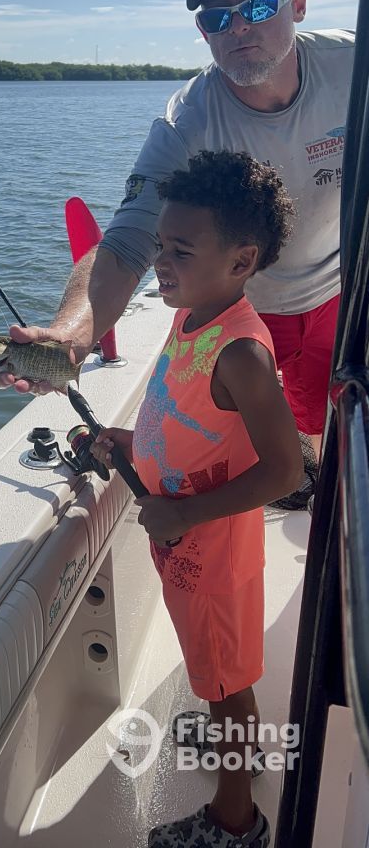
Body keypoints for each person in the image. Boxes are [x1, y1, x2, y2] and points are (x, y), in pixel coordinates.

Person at [0, 0, 355, 465]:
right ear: (203, 30)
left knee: (327, 430)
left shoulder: (354, 64)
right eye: (217, 16)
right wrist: (71, 336)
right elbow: (129, 239)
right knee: (219, 451)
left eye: (257, 5)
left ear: (297, 3)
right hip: (236, 311)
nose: (237, 27)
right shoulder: (188, 122)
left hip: (338, 294)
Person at [90, 150, 303, 848]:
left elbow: (284, 471)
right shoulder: (189, 318)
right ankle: (228, 740)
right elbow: (186, 417)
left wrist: (182, 512)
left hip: (209, 558)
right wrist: (130, 442)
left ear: (241, 262)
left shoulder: (240, 352)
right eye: (159, 244)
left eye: (180, 250)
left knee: (225, 689)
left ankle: (235, 822)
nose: (160, 261)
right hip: (183, 547)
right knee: (215, 677)